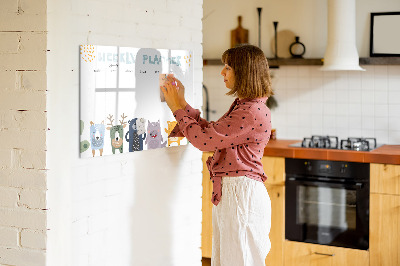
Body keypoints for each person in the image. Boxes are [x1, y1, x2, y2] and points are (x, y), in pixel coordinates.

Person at [161, 44, 273, 266]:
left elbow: (204, 141)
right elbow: (212, 133)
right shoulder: (246, 106)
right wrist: (182, 103)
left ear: (244, 72)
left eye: (228, 67)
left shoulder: (250, 111)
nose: (222, 72)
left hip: (241, 195)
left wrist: (176, 108)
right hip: (236, 193)